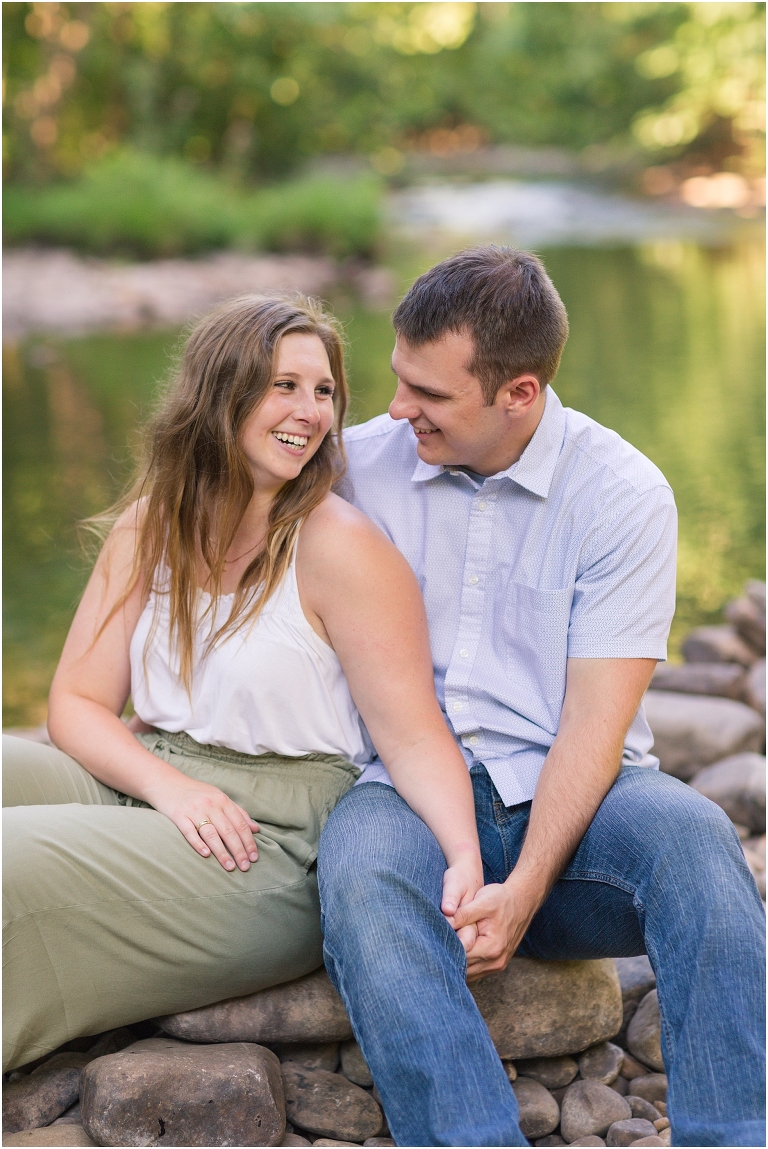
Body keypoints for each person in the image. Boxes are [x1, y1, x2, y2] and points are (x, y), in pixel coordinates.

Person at [318, 246, 766, 1148]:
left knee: (699, 841)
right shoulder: (356, 469)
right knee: (361, 870)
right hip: (408, 790)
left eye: (431, 396)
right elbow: (202, 531)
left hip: (582, 808)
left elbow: (597, 729)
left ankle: (735, 1133)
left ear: (519, 392)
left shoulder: (622, 493)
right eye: (400, 380)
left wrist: (521, 891)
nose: (399, 408)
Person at [2, 294, 485, 1073]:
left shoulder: (342, 548)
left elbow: (414, 733)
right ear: (219, 393)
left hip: (269, 840)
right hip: (159, 778)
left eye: (324, 390)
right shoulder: (150, 523)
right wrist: (171, 787)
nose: (311, 411)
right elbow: (77, 705)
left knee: (8, 861)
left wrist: (464, 859)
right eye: (284, 385)